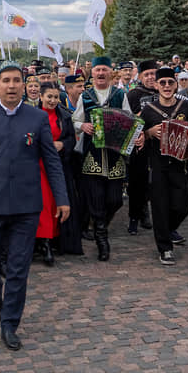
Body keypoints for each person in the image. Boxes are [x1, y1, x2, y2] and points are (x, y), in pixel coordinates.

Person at [0, 61, 69, 351]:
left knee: (19, 267)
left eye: (16, 80)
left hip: (27, 205)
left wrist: (62, 198)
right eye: (5, 80)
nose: (11, 85)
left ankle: (10, 323)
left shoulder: (37, 118)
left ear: (24, 85)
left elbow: (52, 161)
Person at [72, 56, 139, 261]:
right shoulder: (86, 96)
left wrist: (133, 134)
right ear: (91, 73)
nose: (101, 73)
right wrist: (82, 126)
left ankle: (101, 224)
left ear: (111, 72)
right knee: (96, 199)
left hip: (114, 154)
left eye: (104, 70)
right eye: (97, 70)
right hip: (92, 154)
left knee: (115, 200)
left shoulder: (120, 95)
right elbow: (75, 119)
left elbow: (130, 118)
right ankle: (102, 239)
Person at [139, 68, 188, 265]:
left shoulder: (187, 107)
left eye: (170, 82)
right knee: (159, 206)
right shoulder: (148, 110)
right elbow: (137, 137)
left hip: (181, 164)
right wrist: (150, 132)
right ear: (156, 85)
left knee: (182, 206)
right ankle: (165, 247)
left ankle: (167, 230)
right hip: (157, 165)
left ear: (176, 84)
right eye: (163, 83)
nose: (166, 86)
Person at [33, 81, 76, 265]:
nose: (52, 100)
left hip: (57, 167)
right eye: (49, 96)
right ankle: (41, 241)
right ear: (41, 97)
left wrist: (63, 144)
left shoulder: (64, 116)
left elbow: (71, 139)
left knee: (55, 204)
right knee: (41, 204)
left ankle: (52, 240)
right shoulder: (32, 116)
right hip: (36, 167)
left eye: (56, 97)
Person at [125, 60, 159, 235]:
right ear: (140, 76)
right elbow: (126, 120)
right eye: (147, 74)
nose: (151, 77)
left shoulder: (165, 91)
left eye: (153, 73)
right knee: (137, 182)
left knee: (154, 183)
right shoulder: (133, 95)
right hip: (139, 145)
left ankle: (146, 212)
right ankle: (134, 217)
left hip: (160, 145)